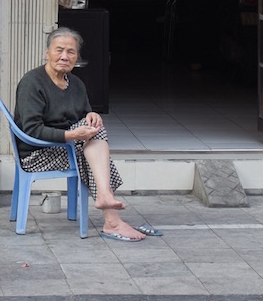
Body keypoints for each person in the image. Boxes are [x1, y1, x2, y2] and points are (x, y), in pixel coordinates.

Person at [14, 27, 160, 242]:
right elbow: (31, 129)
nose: (65, 56)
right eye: (59, 50)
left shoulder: (76, 84)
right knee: (89, 151)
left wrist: (92, 116)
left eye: (71, 52)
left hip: (66, 148)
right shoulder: (32, 82)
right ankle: (109, 211)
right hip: (37, 152)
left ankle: (107, 204)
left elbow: (83, 116)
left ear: (77, 57)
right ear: (47, 53)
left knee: (94, 134)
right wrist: (71, 135)